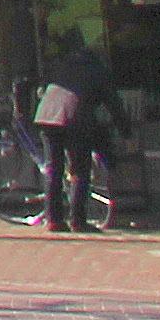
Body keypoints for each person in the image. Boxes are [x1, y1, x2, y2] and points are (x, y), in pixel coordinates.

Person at [35, 39, 114, 233]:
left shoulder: (61, 65)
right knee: (80, 169)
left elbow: (44, 88)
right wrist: (125, 129)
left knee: (54, 168)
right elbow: (112, 101)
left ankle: (53, 220)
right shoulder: (97, 70)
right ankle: (78, 221)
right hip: (74, 118)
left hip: (46, 115)